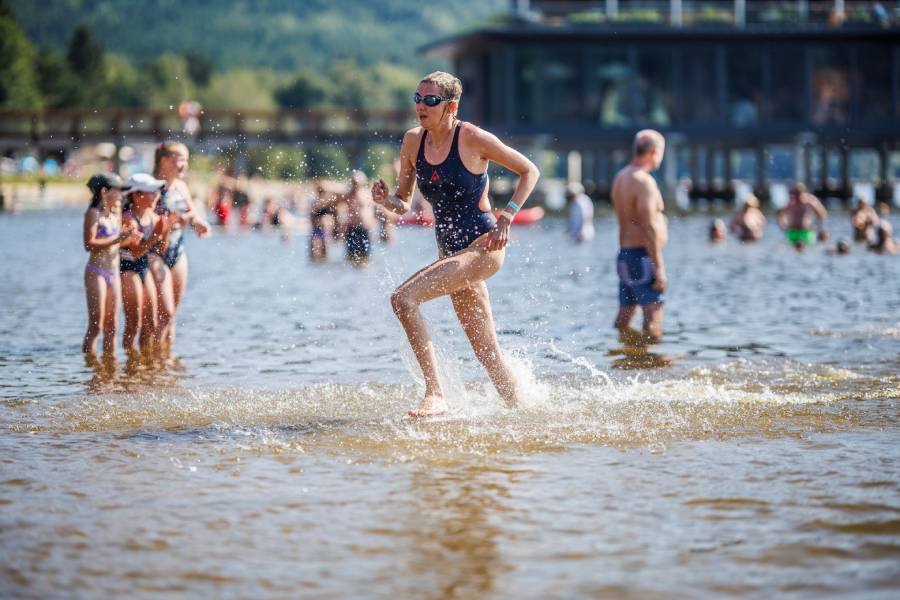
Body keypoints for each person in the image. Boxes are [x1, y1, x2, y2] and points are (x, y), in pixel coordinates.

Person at [371, 71, 540, 417]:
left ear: (451, 107)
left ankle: (435, 394)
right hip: (450, 253)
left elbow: (529, 171)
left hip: (482, 248)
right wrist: (386, 200)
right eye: (417, 98)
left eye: (431, 101)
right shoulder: (412, 142)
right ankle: (526, 414)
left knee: (403, 299)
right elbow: (403, 200)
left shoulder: (472, 138)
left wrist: (507, 216)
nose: (421, 106)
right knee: (487, 352)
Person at [149, 142, 210, 348]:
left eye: (187, 159)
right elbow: (145, 219)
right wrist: (170, 222)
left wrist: (198, 223)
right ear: (164, 161)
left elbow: (191, 213)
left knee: (171, 315)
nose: (185, 164)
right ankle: (150, 363)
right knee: (163, 313)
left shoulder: (181, 187)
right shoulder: (150, 187)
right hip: (153, 252)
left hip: (178, 251)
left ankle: (167, 365)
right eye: (180, 159)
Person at [611, 129, 668, 341]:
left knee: (625, 316)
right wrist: (659, 268)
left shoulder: (621, 177)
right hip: (643, 257)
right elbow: (649, 225)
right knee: (653, 315)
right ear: (654, 152)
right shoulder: (643, 181)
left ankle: (623, 355)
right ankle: (652, 366)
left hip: (625, 256)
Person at [82, 172, 134, 355]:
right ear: (104, 191)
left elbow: (117, 242)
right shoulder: (93, 214)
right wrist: (116, 239)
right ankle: (89, 367)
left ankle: (109, 369)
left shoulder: (115, 214)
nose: (121, 195)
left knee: (112, 326)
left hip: (114, 272)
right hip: (97, 272)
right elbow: (89, 244)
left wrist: (129, 239)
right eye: (118, 191)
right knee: (96, 324)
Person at [120, 174, 169, 353]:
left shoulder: (155, 218)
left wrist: (166, 230)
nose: (156, 194)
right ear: (136, 195)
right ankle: (130, 364)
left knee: (152, 321)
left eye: (157, 191)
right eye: (151, 192)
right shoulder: (128, 218)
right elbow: (136, 251)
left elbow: (162, 249)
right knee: (134, 322)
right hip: (127, 268)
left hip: (142, 266)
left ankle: (147, 364)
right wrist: (156, 235)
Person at [777, 183, 827, 250]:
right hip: (792, 232)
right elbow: (780, 214)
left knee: (809, 248)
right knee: (789, 248)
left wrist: (817, 226)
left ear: (802, 192)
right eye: (795, 193)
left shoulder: (809, 202)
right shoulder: (791, 203)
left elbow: (821, 214)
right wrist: (783, 226)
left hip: (806, 232)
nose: (796, 196)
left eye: (798, 193)